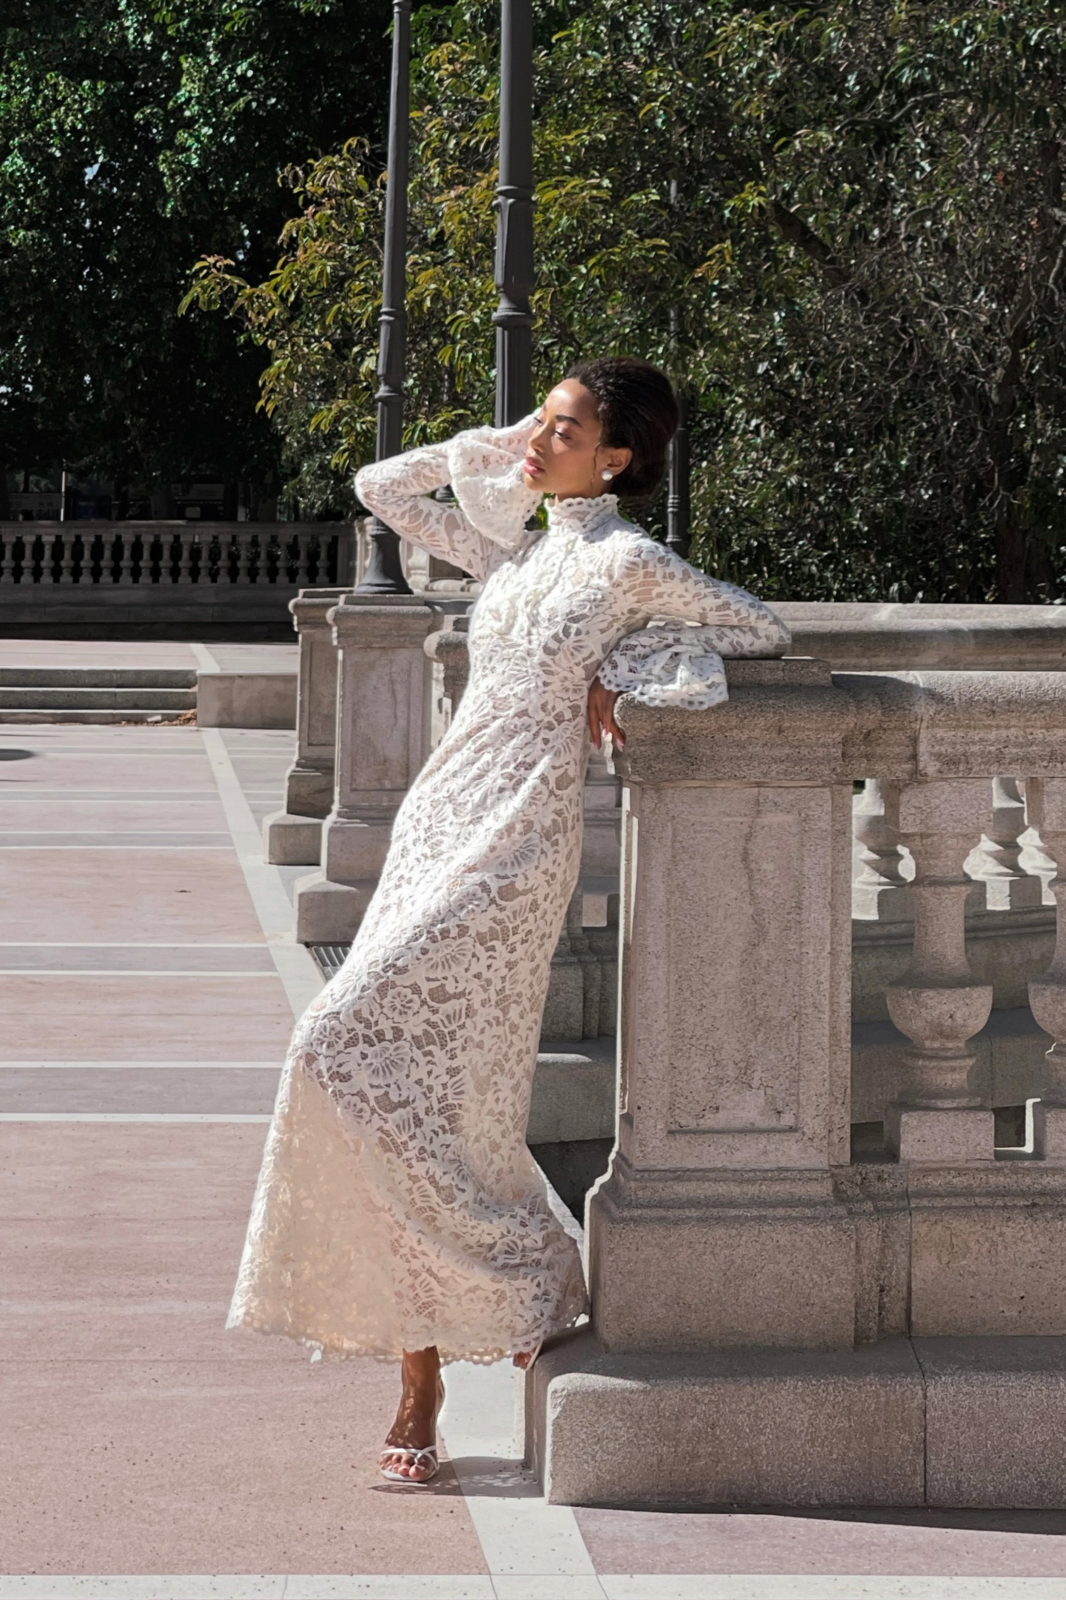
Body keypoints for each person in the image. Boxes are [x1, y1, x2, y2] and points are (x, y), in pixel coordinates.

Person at [225, 356, 790, 1483]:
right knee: (421, 1090)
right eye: (544, 419)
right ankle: (423, 1371)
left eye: (564, 427)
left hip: (518, 843)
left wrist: (624, 682)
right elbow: (382, 484)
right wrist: (502, 439)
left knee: (344, 1046)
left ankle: (521, 1268)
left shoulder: (626, 561)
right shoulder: (519, 549)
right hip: (438, 821)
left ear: (616, 456)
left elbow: (756, 629)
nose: (538, 440)